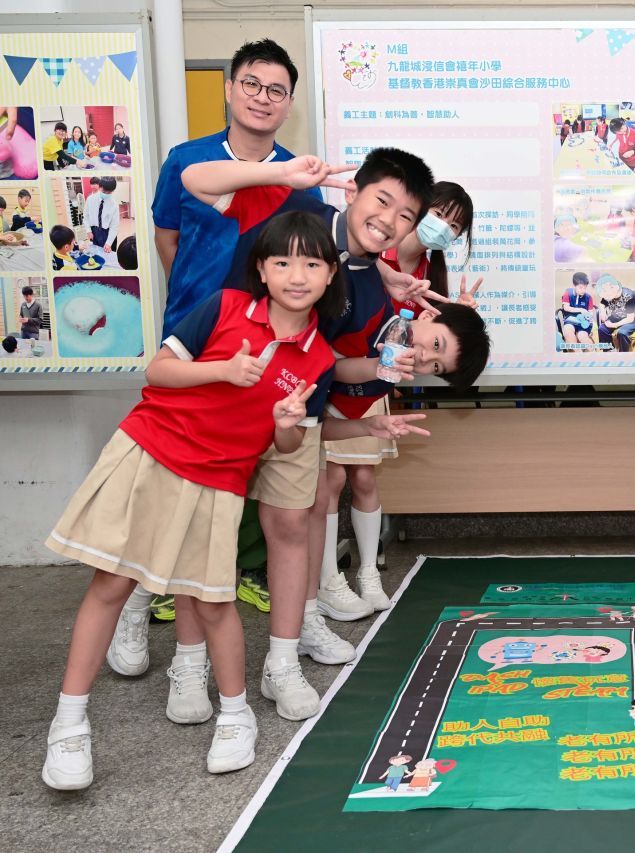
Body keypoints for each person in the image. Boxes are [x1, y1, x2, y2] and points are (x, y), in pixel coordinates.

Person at [39, 212, 427, 791]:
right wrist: (224, 370)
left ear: (330, 277)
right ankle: (69, 725)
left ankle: (236, 715)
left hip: (221, 481)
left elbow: (291, 441)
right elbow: (158, 370)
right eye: (282, 262)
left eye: (312, 263)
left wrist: (294, 424)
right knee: (111, 586)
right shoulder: (223, 308)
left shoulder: (318, 360)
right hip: (152, 453)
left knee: (214, 603)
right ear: (262, 270)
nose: (297, 275)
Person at [179, 147, 447, 718]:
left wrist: (388, 370)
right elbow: (194, 179)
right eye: (382, 201)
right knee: (197, 529)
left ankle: (286, 652)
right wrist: (279, 172)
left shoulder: (372, 282)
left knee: (292, 524)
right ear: (352, 191)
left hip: (298, 411)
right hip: (222, 397)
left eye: (404, 215)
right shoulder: (296, 209)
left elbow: (333, 363)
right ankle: (178, 649)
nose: (389, 220)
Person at [107, 39, 321, 716]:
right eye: (251, 84)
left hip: (269, 362)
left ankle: (281, 647)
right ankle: (137, 602)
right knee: (167, 493)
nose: (262, 97)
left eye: (276, 89)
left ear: (289, 102)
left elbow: (308, 265)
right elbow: (167, 240)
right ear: (229, 89)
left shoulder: (300, 178)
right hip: (199, 348)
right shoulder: (188, 160)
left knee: (251, 505)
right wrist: (202, 311)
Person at [324, 181, 481, 613]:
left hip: (371, 384)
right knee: (329, 480)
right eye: (440, 215)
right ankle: (327, 581)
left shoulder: (432, 271)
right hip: (337, 368)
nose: (443, 228)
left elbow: (432, 336)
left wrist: (458, 312)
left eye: (455, 226)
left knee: (363, 478)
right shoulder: (377, 251)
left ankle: (368, 575)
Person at [596, 275, 635, 352]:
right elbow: (602, 303)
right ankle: (609, 350)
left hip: (633, 319)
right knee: (602, 329)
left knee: (622, 333)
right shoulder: (608, 295)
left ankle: (623, 353)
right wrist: (603, 312)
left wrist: (614, 325)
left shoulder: (629, 296)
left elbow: (630, 319)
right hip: (617, 316)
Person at [560, 271, 595, 349]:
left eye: (585, 288)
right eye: (580, 287)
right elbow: (566, 308)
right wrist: (581, 310)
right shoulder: (568, 293)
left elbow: (590, 313)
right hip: (570, 319)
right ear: (574, 285)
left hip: (583, 322)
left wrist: (588, 316)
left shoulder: (588, 297)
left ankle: (593, 353)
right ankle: (578, 353)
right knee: (568, 332)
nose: (583, 290)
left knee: (582, 336)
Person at [84, 175, 120, 252]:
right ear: (99, 187)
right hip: (94, 231)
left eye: (109, 192)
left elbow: (114, 226)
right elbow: (86, 217)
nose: (106, 194)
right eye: (104, 191)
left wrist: (109, 243)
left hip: (108, 233)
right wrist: (88, 230)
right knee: (96, 253)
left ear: (112, 191)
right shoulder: (90, 199)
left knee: (109, 254)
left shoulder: (114, 205)